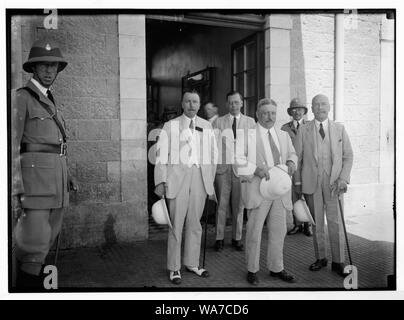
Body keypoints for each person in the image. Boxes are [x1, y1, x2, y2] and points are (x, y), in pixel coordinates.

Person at [11, 39, 78, 290]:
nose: (49, 71)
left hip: (56, 185)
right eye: (43, 66)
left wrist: (68, 174)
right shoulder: (21, 98)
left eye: (53, 66)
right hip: (35, 187)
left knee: (46, 241)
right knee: (33, 245)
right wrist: (14, 189)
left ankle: (31, 284)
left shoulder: (49, 99)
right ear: (34, 69)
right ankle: (26, 290)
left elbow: (56, 145)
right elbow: (10, 146)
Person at [154, 90, 217, 285]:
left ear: (199, 105)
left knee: (195, 223)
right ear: (182, 104)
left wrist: (209, 182)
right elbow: (161, 156)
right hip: (176, 180)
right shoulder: (170, 126)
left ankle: (192, 263)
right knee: (176, 225)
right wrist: (160, 182)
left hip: (199, 177)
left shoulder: (207, 126)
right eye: (188, 101)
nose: (191, 105)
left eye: (195, 101)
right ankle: (174, 268)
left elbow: (213, 156)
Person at [239, 98, 297, 285]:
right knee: (254, 231)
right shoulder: (246, 135)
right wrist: (255, 169)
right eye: (265, 113)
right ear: (257, 114)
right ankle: (252, 270)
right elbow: (237, 160)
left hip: (280, 192)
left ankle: (276, 268)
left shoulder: (284, 135)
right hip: (258, 190)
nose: (269, 117)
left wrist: (291, 162)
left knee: (278, 231)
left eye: (273, 113)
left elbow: (293, 154)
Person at [294, 94, 354, 277]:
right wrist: (297, 182)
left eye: (323, 104)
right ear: (311, 109)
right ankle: (321, 258)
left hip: (335, 183)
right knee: (317, 222)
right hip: (312, 182)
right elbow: (296, 158)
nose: (320, 107)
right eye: (316, 104)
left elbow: (348, 156)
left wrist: (343, 178)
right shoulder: (304, 130)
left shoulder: (339, 129)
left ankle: (338, 261)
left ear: (329, 107)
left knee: (336, 222)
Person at [213, 91, 255, 252]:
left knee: (239, 206)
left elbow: (253, 148)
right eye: (230, 103)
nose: (233, 105)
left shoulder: (250, 122)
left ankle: (237, 238)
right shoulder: (218, 122)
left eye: (236, 102)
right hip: (223, 169)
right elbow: (213, 147)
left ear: (242, 103)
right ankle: (219, 238)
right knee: (221, 206)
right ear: (226, 104)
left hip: (241, 170)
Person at [281, 98, 312, 236]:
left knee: (307, 195)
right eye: (294, 109)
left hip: (307, 168)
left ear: (304, 111)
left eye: (300, 109)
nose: (297, 112)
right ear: (290, 112)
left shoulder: (310, 126)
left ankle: (308, 224)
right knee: (294, 196)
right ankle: (297, 224)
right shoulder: (285, 128)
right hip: (292, 168)